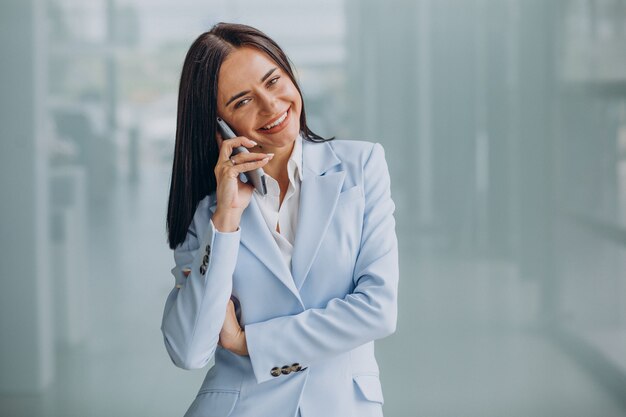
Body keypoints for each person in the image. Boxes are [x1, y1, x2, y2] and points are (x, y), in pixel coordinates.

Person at [162, 22, 399, 417]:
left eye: (273, 81)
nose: (271, 105)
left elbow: (377, 309)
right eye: (241, 102)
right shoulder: (208, 210)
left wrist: (249, 343)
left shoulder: (362, 166)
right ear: (217, 124)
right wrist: (226, 220)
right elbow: (189, 350)